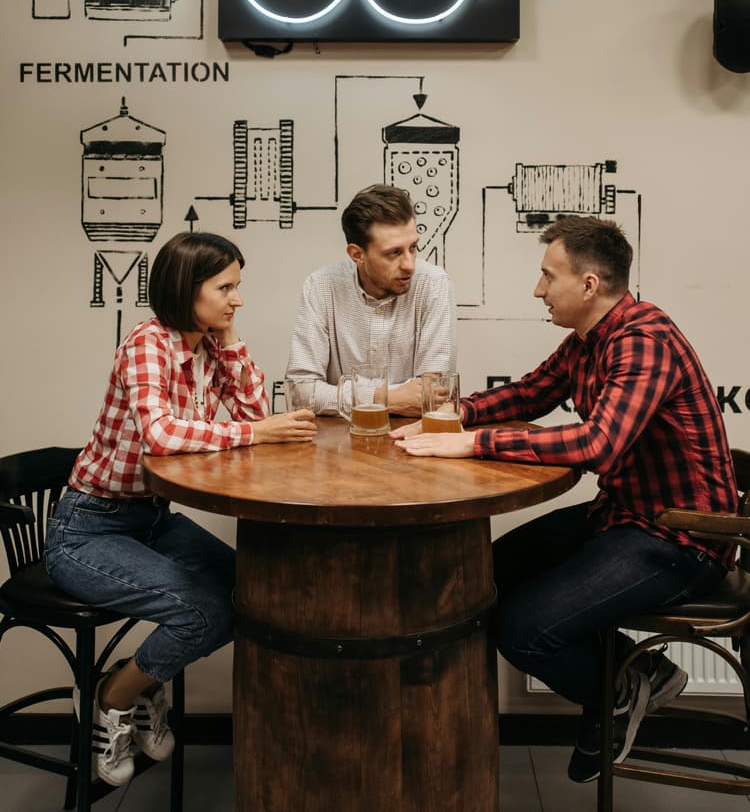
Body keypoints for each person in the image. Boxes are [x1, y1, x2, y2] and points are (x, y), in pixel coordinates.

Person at [392, 215, 737, 783]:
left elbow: (598, 443)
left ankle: (625, 683)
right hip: (625, 517)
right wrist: (450, 415)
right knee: (481, 578)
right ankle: (639, 674)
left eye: (547, 276)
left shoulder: (644, 341)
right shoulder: (587, 341)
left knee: (524, 630)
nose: (537, 289)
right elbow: (530, 393)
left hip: (684, 537)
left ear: (589, 285)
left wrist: (472, 444)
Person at [44, 231, 316, 787]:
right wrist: (252, 433)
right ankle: (116, 696)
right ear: (185, 288)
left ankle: (141, 683)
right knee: (202, 611)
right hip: (89, 530)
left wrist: (230, 336)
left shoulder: (205, 345)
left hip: (150, 521)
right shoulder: (149, 342)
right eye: (226, 288)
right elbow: (162, 435)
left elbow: (254, 410)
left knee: (253, 593)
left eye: (237, 287)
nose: (237, 299)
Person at [286, 183, 456, 416]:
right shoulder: (321, 287)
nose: (409, 264)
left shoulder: (433, 284)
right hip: (337, 443)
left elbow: (431, 396)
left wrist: (339, 395)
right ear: (357, 255)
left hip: (412, 439)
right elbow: (301, 393)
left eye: (413, 247)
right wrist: (382, 398)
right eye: (394, 253)